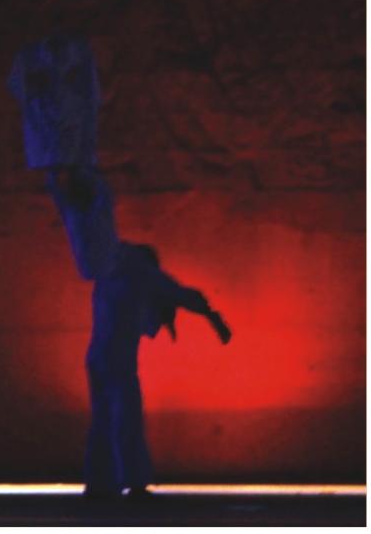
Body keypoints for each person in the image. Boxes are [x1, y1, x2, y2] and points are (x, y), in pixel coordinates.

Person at [46, 166, 232, 500]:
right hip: (117, 359)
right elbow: (182, 294)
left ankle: (101, 482)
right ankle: (132, 480)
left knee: (104, 418)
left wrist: (59, 183)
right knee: (126, 417)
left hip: (98, 356)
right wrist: (214, 319)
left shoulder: (111, 270)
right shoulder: (139, 273)